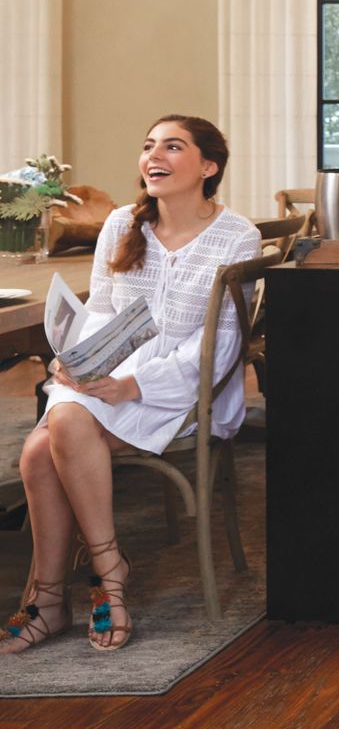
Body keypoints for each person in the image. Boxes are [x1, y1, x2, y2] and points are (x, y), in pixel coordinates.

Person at [3, 116, 261, 655]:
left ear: (208, 167)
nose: (153, 156)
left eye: (172, 146)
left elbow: (218, 349)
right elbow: (100, 311)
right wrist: (75, 359)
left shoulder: (237, 236)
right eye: (148, 146)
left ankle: (74, 590)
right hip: (104, 376)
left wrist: (133, 386)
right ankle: (98, 576)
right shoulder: (122, 223)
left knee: (46, 443)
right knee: (45, 442)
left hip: (182, 391)